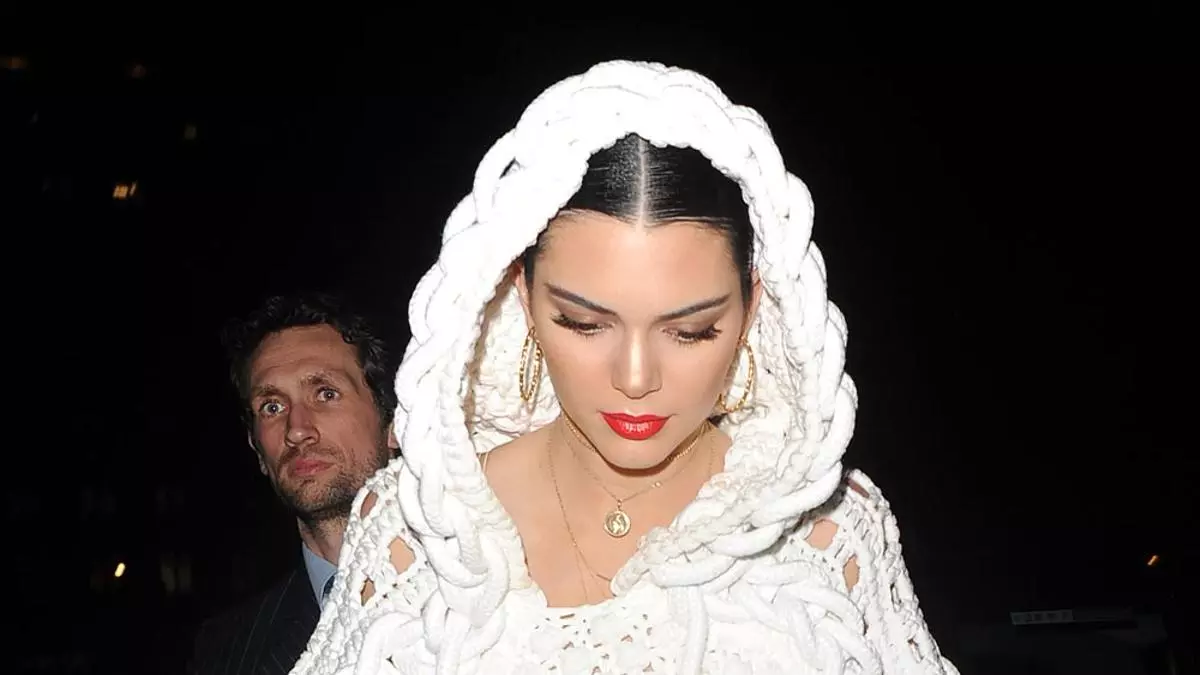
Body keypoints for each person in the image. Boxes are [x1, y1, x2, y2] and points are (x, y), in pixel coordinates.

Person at [292, 61, 960, 674]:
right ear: (521, 294)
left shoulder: (828, 531)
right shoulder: (412, 532)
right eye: (584, 323)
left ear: (754, 307)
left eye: (691, 330)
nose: (636, 378)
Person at [188, 293, 400, 675]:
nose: (297, 430)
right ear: (257, 450)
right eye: (272, 407)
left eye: (325, 394)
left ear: (393, 425)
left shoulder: (494, 584)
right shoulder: (226, 652)